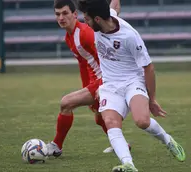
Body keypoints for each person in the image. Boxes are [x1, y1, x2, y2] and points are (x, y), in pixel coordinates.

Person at [78, 0, 186, 171]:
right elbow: (114, 7)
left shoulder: (129, 36)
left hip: (132, 81)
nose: (84, 23)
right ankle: (128, 164)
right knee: (111, 122)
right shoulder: (107, 16)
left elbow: (148, 67)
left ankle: (168, 140)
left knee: (142, 121)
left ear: (97, 19)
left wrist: (152, 99)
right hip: (110, 85)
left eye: (87, 19)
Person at [46, 0, 126, 157]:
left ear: (75, 14)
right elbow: (84, 65)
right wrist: (87, 87)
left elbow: (106, 58)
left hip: (106, 80)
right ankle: (122, 145)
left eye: (65, 13)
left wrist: (101, 86)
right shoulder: (69, 37)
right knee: (99, 118)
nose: (61, 18)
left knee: (66, 103)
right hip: (96, 81)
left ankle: (56, 145)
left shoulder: (84, 33)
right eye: (57, 14)